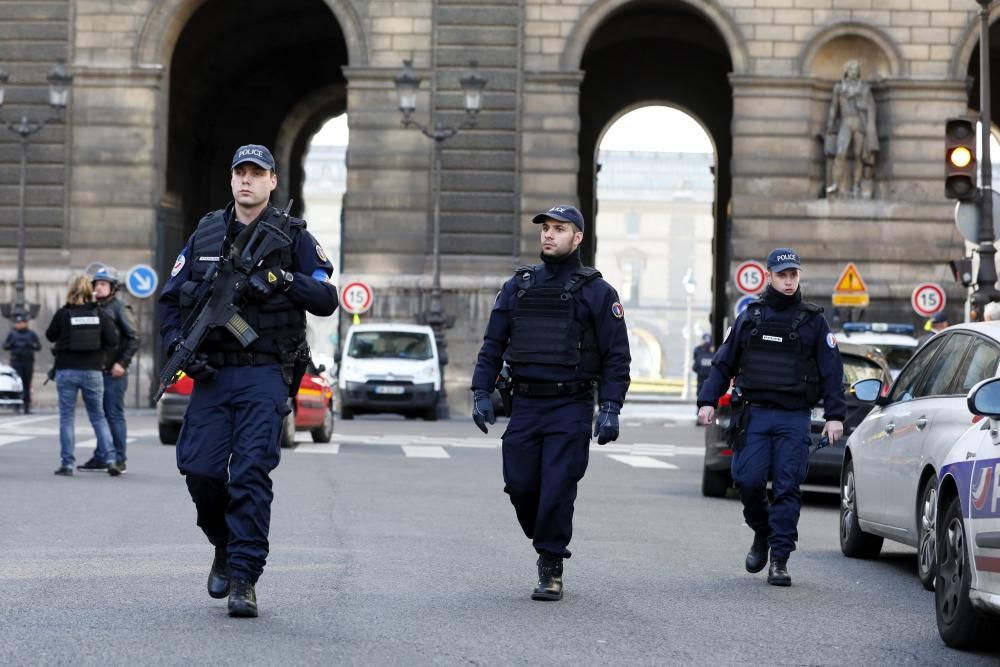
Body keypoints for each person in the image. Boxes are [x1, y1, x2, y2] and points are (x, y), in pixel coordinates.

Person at [158, 144, 338, 618]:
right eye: (240, 172)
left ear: (273, 181)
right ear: (230, 178)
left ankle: (243, 577)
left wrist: (281, 279)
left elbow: (325, 296)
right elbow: (170, 299)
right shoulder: (205, 233)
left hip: (265, 373)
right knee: (200, 471)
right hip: (213, 375)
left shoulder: (294, 236)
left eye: (257, 174)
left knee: (252, 473)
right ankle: (224, 542)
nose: (247, 181)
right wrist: (180, 349)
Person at [470, 204, 631, 601]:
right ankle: (545, 534)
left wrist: (610, 407)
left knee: (558, 488)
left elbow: (616, 355)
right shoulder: (519, 286)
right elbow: (494, 343)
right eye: (545, 229)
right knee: (520, 486)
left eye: (559, 229)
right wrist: (480, 391)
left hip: (571, 405)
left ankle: (551, 562)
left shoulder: (598, 291)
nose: (548, 235)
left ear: (577, 237)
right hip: (525, 404)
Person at [696, 248, 845, 587]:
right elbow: (723, 362)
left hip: (794, 417)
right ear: (769, 277)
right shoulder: (751, 317)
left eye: (794, 274)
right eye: (783, 275)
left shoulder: (813, 321)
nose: (789, 281)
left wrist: (835, 416)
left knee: (787, 486)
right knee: (747, 482)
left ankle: (780, 557)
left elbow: (831, 373)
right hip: (755, 415)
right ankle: (762, 533)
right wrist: (706, 401)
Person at [46, 275, 120, 477]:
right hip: (93, 371)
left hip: (66, 370)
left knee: (66, 419)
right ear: (91, 291)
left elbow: (50, 335)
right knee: (98, 417)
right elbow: (113, 340)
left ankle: (67, 464)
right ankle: (111, 460)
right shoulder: (100, 313)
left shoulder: (64, 313)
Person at [78, 266, 139, 473]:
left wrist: (122, 363)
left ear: (113, 288)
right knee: (99, 415)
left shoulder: (119, 308)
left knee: (113, 415)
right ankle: (101, 456)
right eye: (96, 284)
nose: (98, 287)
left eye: (103, 284)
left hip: (114, 372)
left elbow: (134, 338)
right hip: (95, 370)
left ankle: (119, 458)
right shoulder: (93, 307)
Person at [825, 59, 879, 199]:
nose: (853, 72)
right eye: (851, 69)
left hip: (859, 124)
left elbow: (871, 107)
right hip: (845, 122)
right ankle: (835, 184)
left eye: (856, 69)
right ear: (846, 71)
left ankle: (856, 187)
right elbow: (833, 107)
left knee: (858, 155)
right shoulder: (839, 88)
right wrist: (830, 125)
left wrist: (864, 108)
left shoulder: (864, 88)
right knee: (840, 152)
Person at [3, 312, 42, 414]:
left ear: (25, 323)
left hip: (27, 362)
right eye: (18, 322)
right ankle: (17, 406)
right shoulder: (12, 334)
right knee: (16, 385)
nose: (19, 324)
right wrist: (12, 344)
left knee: (26, 384)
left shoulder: (31, 334)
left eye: (22, 322)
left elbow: (38, 347)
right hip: (16, 362)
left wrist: (30, 345)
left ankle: (26, 406)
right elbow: (5, 346)